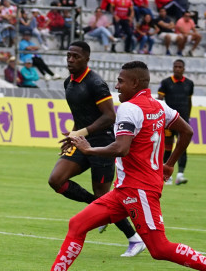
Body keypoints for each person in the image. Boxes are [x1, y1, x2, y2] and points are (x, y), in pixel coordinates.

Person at [19, 60, 206, 271]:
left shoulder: (129, 108)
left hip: (140, 190)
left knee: (159, 248)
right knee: (78, 224)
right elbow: (186, 131)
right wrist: (169, 164)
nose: (116, 86)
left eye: (120, 81)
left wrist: (89, 150)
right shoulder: (159, 106)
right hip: (126, 189)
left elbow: (121, 148)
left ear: (135, 83)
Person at [47, 41, 145, 257]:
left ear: (87, 59)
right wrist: (74, 135)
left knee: (103, 196)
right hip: (82, 141)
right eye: (69, 55)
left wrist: (80, 133)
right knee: (56, 180)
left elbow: (109, 116)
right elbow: (81, 115)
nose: (70, 60)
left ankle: (134, 238)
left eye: (76, 56)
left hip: (103, 143)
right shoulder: (68, 83)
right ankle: (98, 208)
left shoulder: (96, 83)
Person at [157, 59, 193, 186]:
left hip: (183, 121)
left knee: (182, 146)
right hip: (169, 121)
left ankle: (180, 174)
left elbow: (189, 101)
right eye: (175, 66)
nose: (177, 69)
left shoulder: (189, 84)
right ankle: (167, 175)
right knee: (167, 147)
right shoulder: (166, 82)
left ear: (184, 69)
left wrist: (188, 117)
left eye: (180, 67)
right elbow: (160, 100)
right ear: (173, 68)